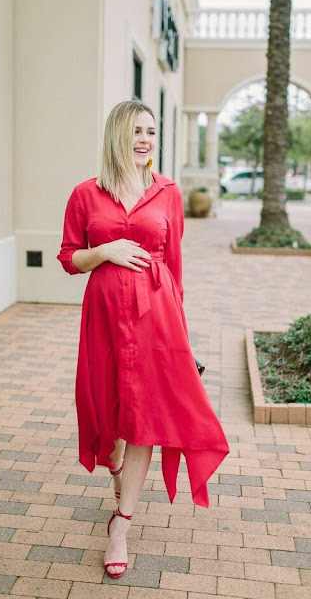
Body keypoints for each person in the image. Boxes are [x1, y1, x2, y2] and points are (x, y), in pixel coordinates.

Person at [57, 100, 230, 579]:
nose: (145, 140)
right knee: (106, 414)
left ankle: (121, 524)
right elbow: (70, 258)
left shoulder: (169, 192)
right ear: (117, 134)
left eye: (151, 132)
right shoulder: (85, 194)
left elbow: (174, 266)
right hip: (105, 319)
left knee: (144, 419)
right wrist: (106, 250)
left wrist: (181, 333)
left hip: (158, 322)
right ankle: (115, 468)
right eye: (136, 130)